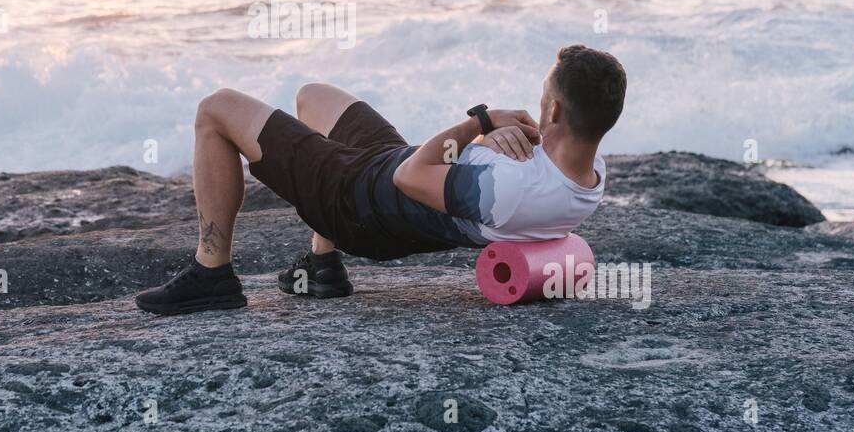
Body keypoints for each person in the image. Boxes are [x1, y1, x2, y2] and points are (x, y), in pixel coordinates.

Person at [135, 44, 627, 315]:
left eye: (543, 95)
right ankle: (321, 267)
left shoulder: (509, 186)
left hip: (358, 203)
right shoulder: (589, 177)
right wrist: (489, 145)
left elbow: (416, 176)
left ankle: (211, 273)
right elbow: (467, 180)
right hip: (386, 170)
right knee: (313, 95)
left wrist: (481, 122)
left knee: (216, 108)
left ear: (555, 109)